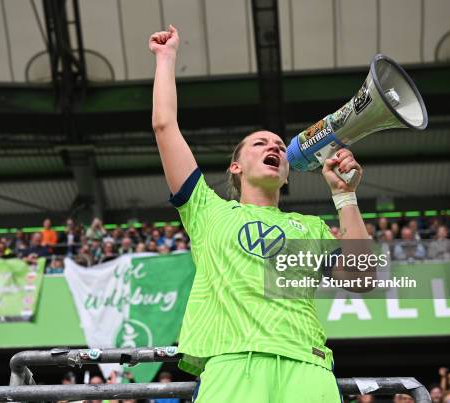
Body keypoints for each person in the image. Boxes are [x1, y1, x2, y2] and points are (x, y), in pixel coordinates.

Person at [149, 25, 371, 403]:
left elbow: (364, 278)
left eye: (280, 145)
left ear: (286, 173)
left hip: (308, 365)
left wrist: (345, 196)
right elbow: (164, 126)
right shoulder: (207, 211)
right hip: (231, 364)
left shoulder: (310, 227)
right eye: (260, 142)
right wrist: (166, 58)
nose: (275, 146)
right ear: (235, 167)